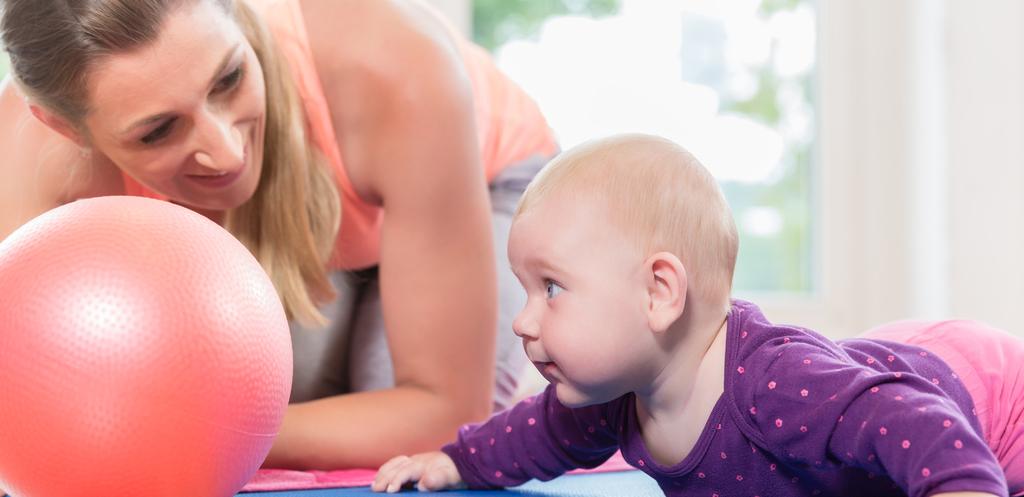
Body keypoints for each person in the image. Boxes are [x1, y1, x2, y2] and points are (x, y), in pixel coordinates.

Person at [0, 0, 557, 470]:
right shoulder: (31, 149)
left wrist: (187, 431)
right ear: (66, 127)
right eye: (158, 130)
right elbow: (29, 398)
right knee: (290, 393)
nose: (225, 153)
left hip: (483, 179)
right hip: (319, 229)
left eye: (229, 78)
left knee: (406, 445)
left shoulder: (396, 68)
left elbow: (441, 410)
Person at [371, 134, 1024, 497]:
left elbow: (923, 426)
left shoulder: (776, 385)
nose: (523, 320)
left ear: (659, 292)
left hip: (982, 391)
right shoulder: (613, 397)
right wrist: (455, 460)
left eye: (552, 288)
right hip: (873, 365)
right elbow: (537, 433)